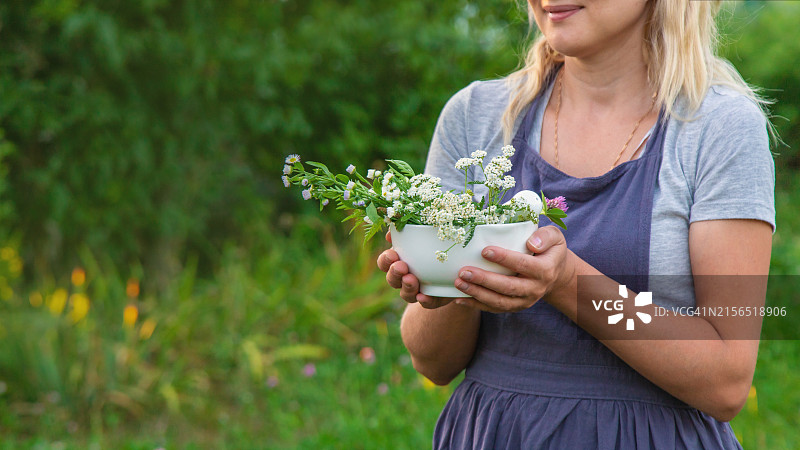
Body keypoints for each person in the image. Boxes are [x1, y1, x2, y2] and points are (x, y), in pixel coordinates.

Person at [377, 0, 776, 448]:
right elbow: (432, 361)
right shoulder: (475, 116)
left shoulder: (720, 128)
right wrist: (456, 281)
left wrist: (567, 282)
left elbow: (726, 380)